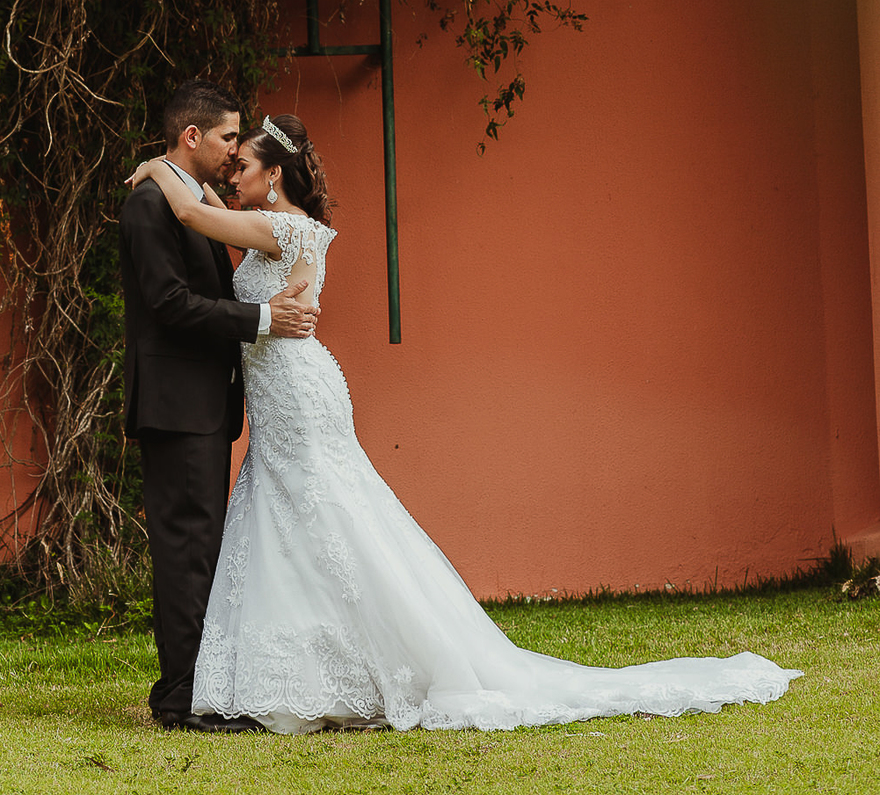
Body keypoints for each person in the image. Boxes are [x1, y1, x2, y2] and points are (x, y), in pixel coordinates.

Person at [128, 111, 802, 735]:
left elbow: (191, 209)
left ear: (273, 174)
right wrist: (189, 175)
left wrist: (157, 166)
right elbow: (211, 208)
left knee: (328, 518)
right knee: (308, 522)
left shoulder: (284, 229)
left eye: (242, 166)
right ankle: (307, 672)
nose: (231, 177)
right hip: (285, 390)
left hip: (298, 394)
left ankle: (360, 668)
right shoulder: (280, 223)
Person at [117, 79, 318, 734]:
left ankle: (201, 689)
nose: (236, 151)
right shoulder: (150, 204)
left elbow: (206, 226)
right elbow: (170, 305)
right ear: (192, 136)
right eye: (229, 136)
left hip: (199, 405)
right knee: (186, 551)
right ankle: (181, 699)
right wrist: (263, 318)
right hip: (176, 408)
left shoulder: (183, 198)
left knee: (199, 547)